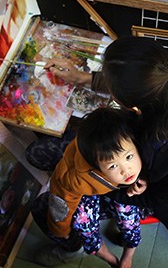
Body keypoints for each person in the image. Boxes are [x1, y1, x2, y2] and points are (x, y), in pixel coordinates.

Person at [45, 36, 168, 253]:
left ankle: (70, 245)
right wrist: (82, 78)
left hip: (155, 194)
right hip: (146, 174)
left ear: (134, 108)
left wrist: (114, 190)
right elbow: (135, 82)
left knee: (53, 199)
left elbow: (159, 199)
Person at [41, 106, 148, 268]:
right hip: (88, 191)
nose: (126, 170)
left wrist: (145, 179)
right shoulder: (76, 177)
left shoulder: (137, 136)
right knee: (82, 223)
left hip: (118, 189)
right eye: (112, 166)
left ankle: (128, 256)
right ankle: (110, 259)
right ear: (96, 166)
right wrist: (60, 230)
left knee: (129, 213)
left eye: (128, 157)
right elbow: (61, 202)